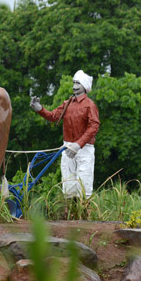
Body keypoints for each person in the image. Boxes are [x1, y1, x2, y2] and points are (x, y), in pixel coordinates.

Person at [30, 70, 100, 198]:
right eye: (74, 82)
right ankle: (70, 213)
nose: (74, 86)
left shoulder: (90, 105)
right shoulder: (67, 103)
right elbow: (53, 116)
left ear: (84, 86)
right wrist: (40, 109)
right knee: (68, 182)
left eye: (78, 83)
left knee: (84, 181)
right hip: (67, 147)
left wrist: (79, 144)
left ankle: (85, 212)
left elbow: (94, 126)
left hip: (84, 149)